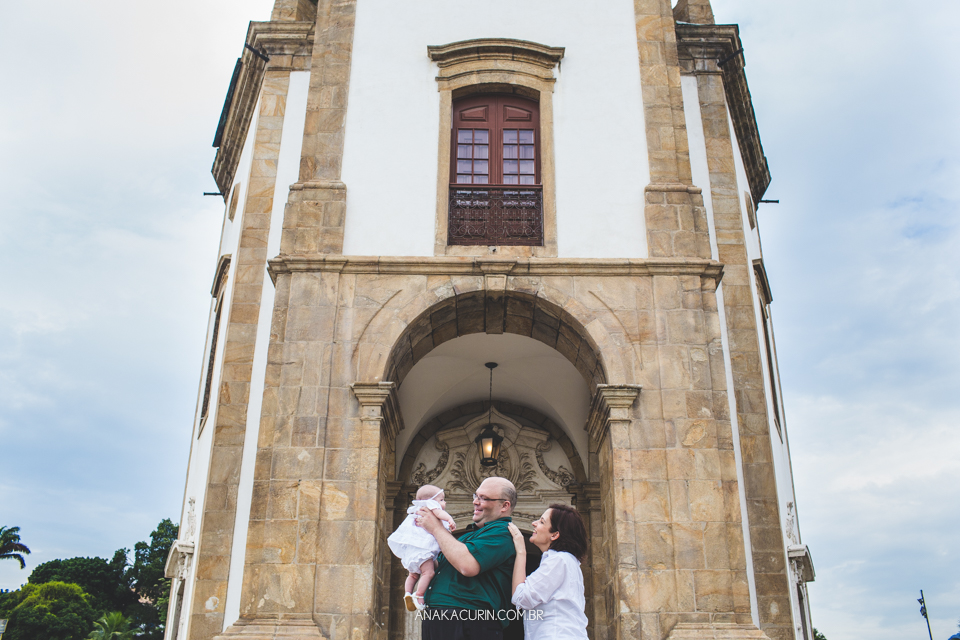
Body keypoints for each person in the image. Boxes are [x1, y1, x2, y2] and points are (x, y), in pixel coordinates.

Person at [416, 477, 518, 640]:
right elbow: (440, 566)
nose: (476, 502)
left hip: (470, 621)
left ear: (504, 505)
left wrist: (436, 528)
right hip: (443, 620)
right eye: (476, 496)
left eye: (483, 498)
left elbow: (467, 566)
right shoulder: (468, 537)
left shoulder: (503, 533)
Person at [506, 504, 589, 640]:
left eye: (541, 522)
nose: (534, 523)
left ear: (555, 534)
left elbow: (521, 597)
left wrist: (521, 551)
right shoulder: (566, 561)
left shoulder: (558, 560)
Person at [387, 484, 457, 611]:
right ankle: (419, 595)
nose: (444, 502)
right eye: (441, 500)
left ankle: (407, 593)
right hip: (423, 551)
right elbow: (440, 513)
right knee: (428, 572)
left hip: (412, 551)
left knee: (413, 575)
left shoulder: (415, 510)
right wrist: (450, 519)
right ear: (431, 501)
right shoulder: (431, 507)